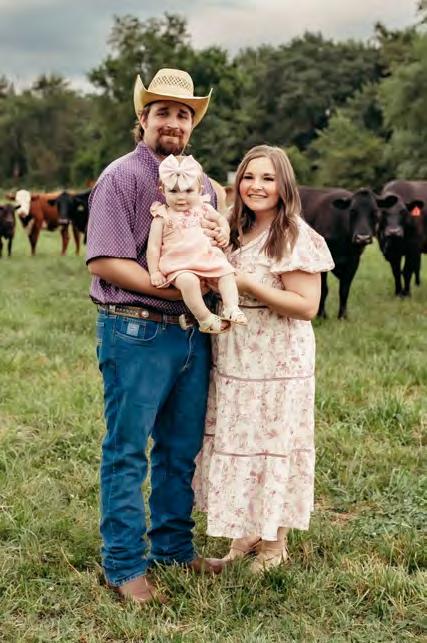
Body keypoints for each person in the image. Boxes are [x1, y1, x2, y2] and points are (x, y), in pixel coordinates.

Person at [86, 68, 229, 605]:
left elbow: (211, 248)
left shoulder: (202, 183)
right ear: (142, 118)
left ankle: (173, 548)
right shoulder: (122, 177)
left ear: (192, 125)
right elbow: (104, 260)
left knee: (181, 449)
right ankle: (124, 565)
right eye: (163, 111)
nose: (173, 121)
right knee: (127, 451)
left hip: (193, 332)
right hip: (137, 329)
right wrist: (175, 288)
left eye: (183, 114)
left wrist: (220, 242)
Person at [193, 145, 335, 572]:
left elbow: (307, 305)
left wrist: (249, 285)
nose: (256, 186)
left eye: (268, 179)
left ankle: (274, 543)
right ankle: (246, 534)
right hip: (236, 355)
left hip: (278, 357)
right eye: (249, 177)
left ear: (284, 185)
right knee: (242, 441)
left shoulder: (292, 235)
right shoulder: (236, 227)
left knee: (273, 443)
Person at [147, 153, 247, 333]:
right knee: (189, 282)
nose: (181, 197)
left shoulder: (204, 208)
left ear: (200, 190)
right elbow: (153, 246)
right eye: (173, 191)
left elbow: (221, 220)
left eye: (188, 191)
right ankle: (205, 318)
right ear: (162, 191)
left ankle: (231, 307)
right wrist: (154, 271)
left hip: (207, 258)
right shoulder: (162, 215)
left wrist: (223, 231)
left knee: (227, 274)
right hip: (179, 264)